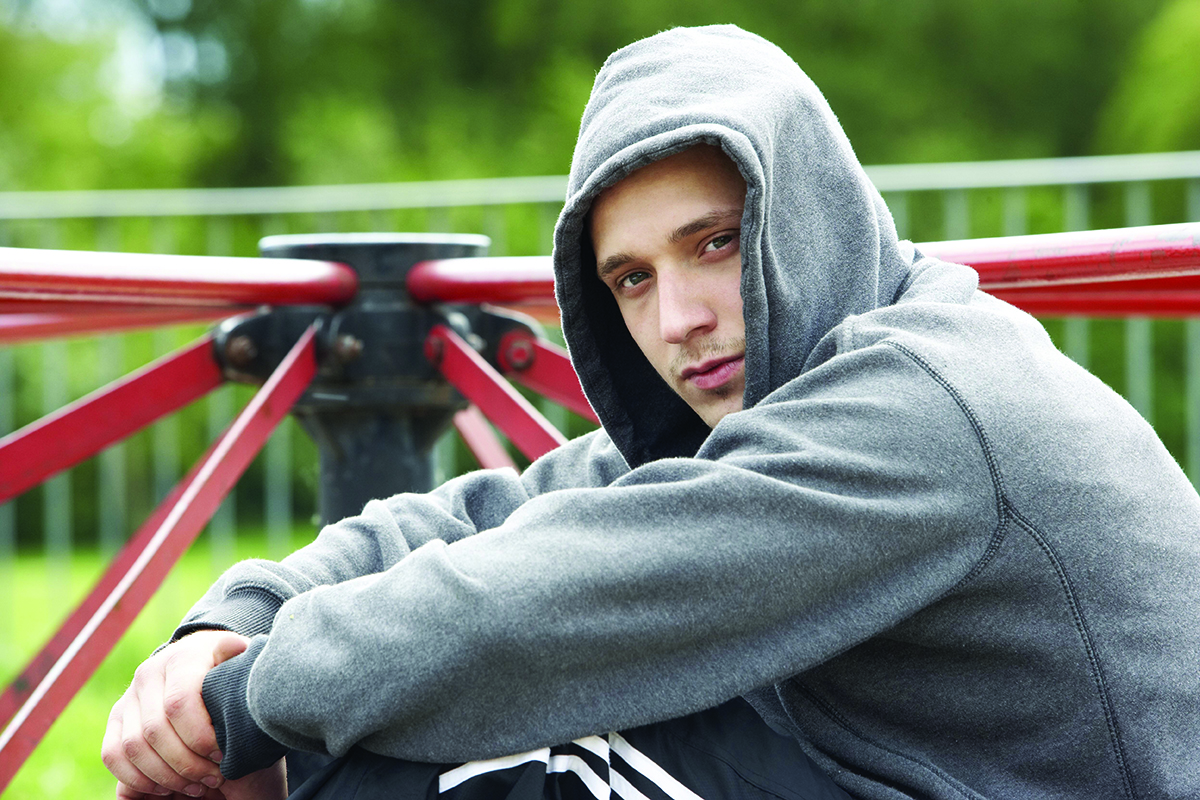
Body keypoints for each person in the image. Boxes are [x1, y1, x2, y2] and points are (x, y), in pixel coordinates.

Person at [102, 24, 1200, 800]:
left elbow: (529, 609)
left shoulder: (920, 403)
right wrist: (234, 617)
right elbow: (497, 515)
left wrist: (247, 707)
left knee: (458, 742)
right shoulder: (791, 392)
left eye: (715, 243)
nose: (677, 318)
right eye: (630, 278)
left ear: (805, 213)